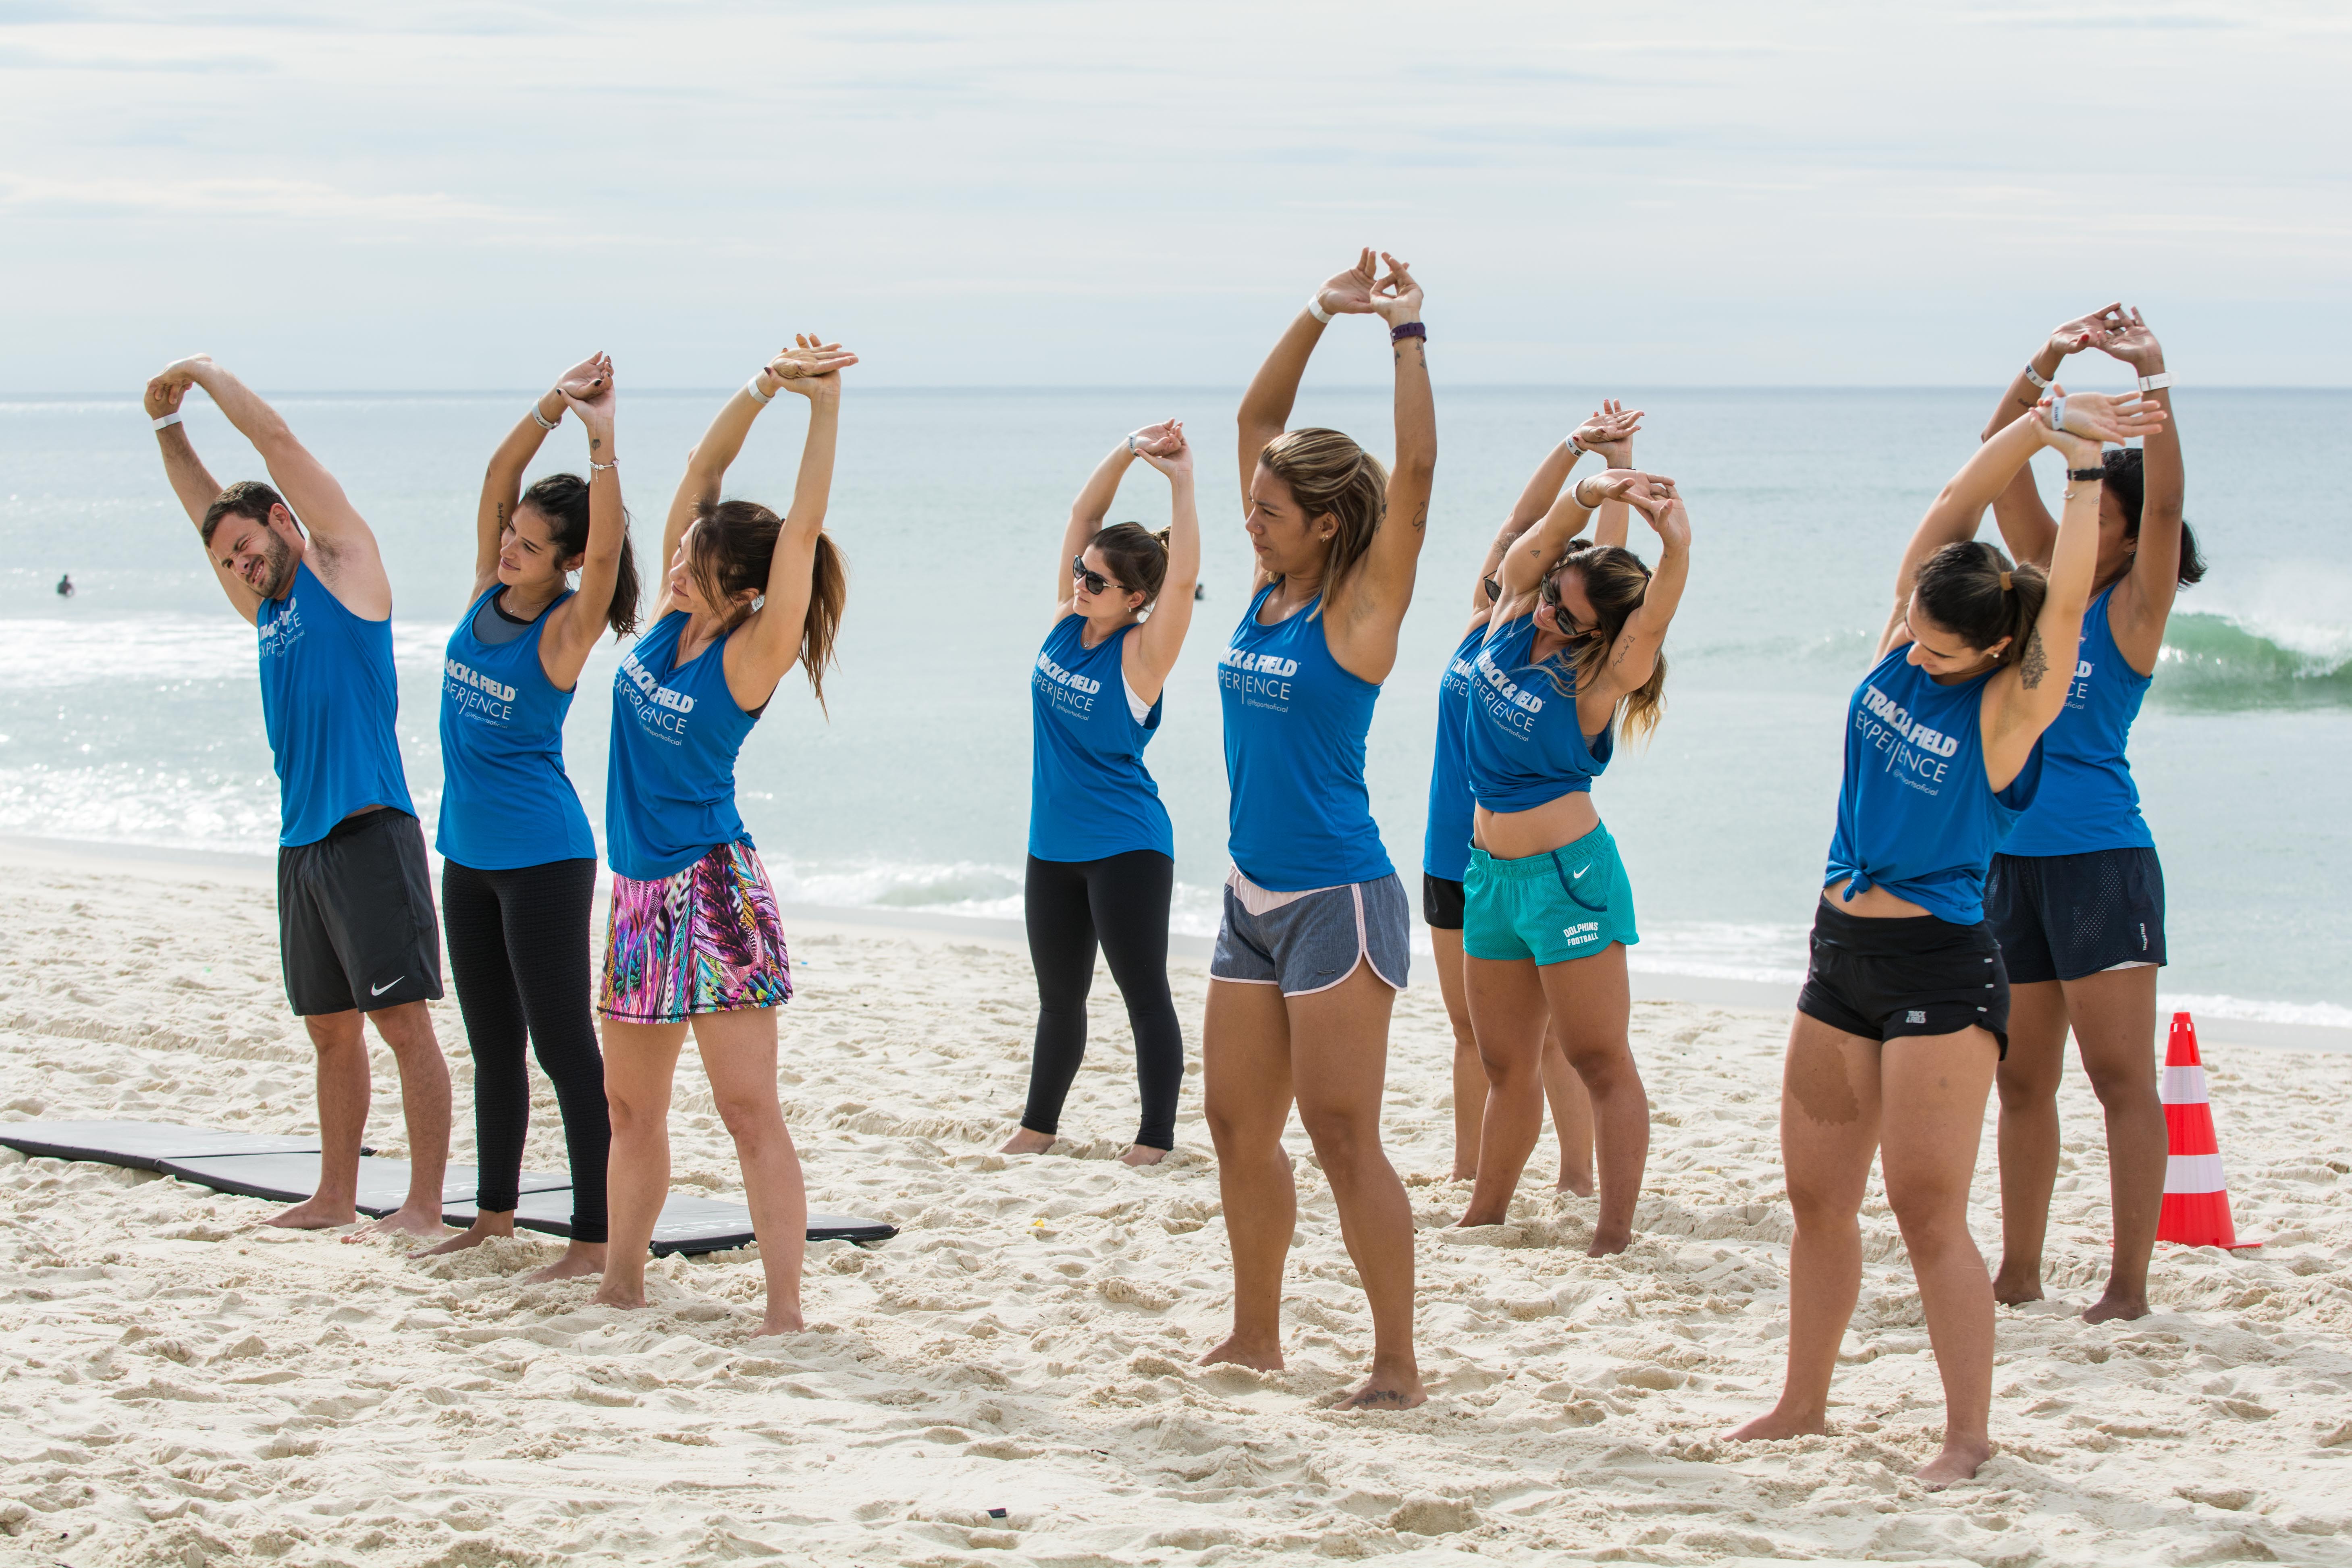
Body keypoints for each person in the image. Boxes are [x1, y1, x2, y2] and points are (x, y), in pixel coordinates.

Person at [1727, 384, 2169, 1487]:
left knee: (1926, 1209)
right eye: (1911, 638)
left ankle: (1966, 1434)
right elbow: (1949, 503)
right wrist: (2041, 416)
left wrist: (2079, 472)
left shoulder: (2011, 706)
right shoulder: (1900, 644)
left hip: (1939, 966)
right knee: (1816, 1202)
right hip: (1836, 954)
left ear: (1991, 650)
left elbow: (2063, 603)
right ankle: (1802, 1400)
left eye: (1937, 651)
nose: (1913, 658)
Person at [1199, 250, 1434, 1410]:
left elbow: (1421, 472)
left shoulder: (1358, 605)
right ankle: (1257, 1332)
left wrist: (1402, 333)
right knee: (1236, 1123)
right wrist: (1316, 309)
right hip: (1249, 894)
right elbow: (1256, 414)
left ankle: (1395, 1362)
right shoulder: (1267, 583)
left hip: (1339, 899)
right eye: (1251, 505)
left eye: (1270, 510)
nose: (1252, 522)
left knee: (1343, 1135)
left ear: (1327, 522)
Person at [144, 355, 451, 1238]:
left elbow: (274, 442)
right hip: (303, 842)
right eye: (228, 559)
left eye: (249, 546)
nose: (241, 564)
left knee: (400, 1021)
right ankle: (334, 1194)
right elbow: (203, 509)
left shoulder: (343, 570)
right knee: (329, 1030)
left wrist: (204, 375)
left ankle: (424, 1205)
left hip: (369, 829)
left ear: (284, 520)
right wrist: (167, 430)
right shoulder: (266, 609)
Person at [592, 334, 855, 1337]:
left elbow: (802, 534)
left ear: (739, 588)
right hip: (636, 891)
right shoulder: (668, 615)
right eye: (682, 554)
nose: (676, 563)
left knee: (748, 1113)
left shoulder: (750, 656)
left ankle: (784, 1308)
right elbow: (705, 473)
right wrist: (761, 386)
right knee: (629, 1110)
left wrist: (822, 408)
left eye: (697, 561)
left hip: (710, 893)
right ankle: (621, 1280)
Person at [1980, 306, 2199, 1324]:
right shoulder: (2044, 578)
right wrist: (2048, 364)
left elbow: (2160, 512)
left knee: (2119, 1077)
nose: (2087, 519)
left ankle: (2125, 1282)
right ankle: (2017, 1271)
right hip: (2006, 862)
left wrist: (2151, 378)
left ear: (2117, 519)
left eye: (2103, 507)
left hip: (2100, 859)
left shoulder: (2131, 609)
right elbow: (1996, 457)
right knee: (2021, 1080)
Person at [416, 353, 642, 1281]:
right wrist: (552, 400)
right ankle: (496, 1216)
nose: (508, 546)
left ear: (570, 563)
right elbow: (495, 476)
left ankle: (592, 1237)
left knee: (560, 1047)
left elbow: (612, 540)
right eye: (509, 535)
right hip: (465, 855)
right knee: (491, 1043)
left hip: (545, 859)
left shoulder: (565, 628)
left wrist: (601, 440)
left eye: (528, 544)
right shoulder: (483, 592)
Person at [1456, 455, 1689, 1254]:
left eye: (1572, 613)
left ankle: (1612, 1230)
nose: (1554, 612)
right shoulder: (1518, 608)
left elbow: (1648, 624)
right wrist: (1595, 486)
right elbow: (1534, 543)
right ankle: (1484, 1211)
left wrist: (1677, 549)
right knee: (1503, 1062)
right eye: (1556, 594)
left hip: (1567, 880)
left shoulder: (1591, 679)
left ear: (1600, 635)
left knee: (1595, 1056)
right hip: (1487, 873)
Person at [1426, 410, 1646, 1193]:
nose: (1509, 571)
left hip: (1529, 855)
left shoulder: (1547, 649)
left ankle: (1575, 1172)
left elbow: (1602, 570)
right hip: (1450, 845)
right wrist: (1574, 452)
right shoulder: (1481, 635)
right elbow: (1527, 530)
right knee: (1474, 1030)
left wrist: (1614, 469)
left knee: (1552, 1036)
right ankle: (1468, 1167)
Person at [1001, 418, 1201, 1167]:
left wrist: (1182, 481)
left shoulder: (1143, 656)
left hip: (1127, 846)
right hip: (1050, 844)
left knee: (1143, 996)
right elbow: (1084, 517)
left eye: (1096, 581)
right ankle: (1039, 1125)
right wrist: (1128, 449)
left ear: (1136, 598)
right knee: (1059, 997)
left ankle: (1155, 1139)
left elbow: (1184, 579)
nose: (1079, 585)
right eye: (1080, 573)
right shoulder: (1066, 622)